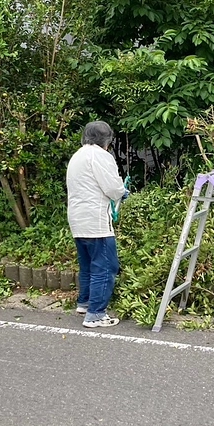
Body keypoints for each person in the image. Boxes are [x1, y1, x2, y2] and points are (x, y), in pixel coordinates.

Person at [67, 121, 128, 328]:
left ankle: (84, 303)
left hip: (77, 218)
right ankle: (96, 314)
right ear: (106, 140)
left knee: (88, 264)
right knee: (106, 266)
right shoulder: (101, 156)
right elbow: (113, 188)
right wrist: (122, 192)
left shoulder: (78, 155)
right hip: (96, 220)